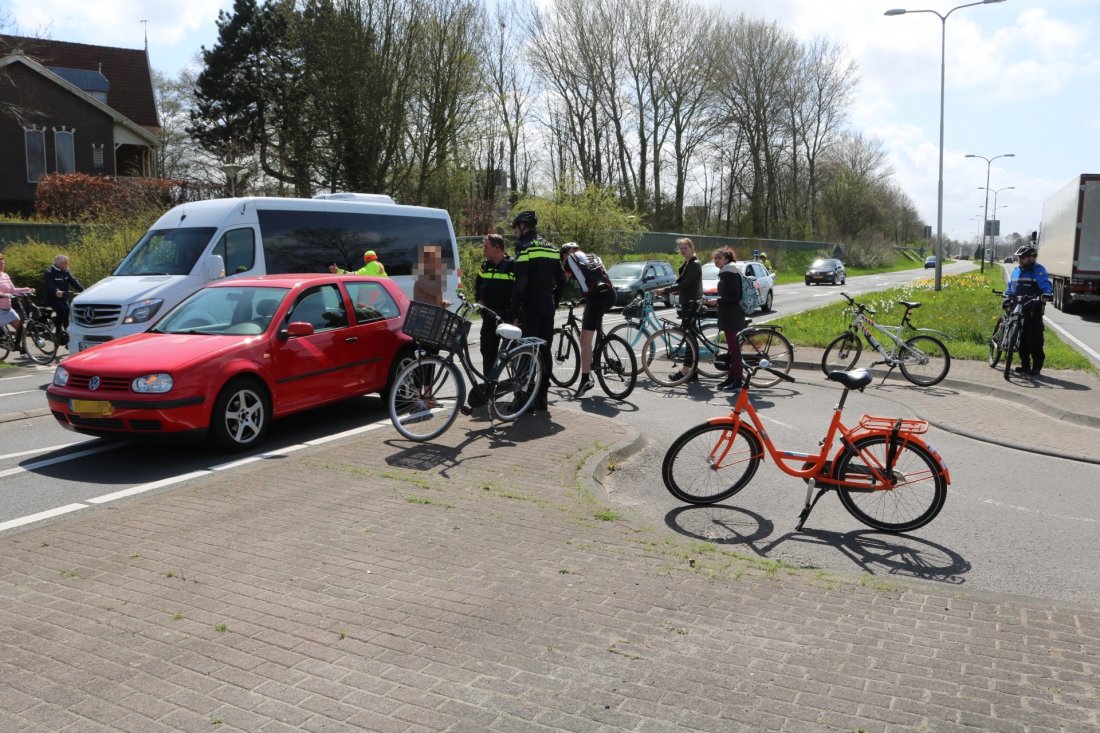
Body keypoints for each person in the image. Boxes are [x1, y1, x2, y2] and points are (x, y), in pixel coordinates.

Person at [509, 210, 564, 413]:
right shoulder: (551, 247)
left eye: (516, 228)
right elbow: (563, 280)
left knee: (526, 351)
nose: (515, 232)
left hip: (530, 306)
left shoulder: (524, 248)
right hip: (547, 305)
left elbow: (520, 284)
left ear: (523, 226)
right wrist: (554, 300)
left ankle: (525, 400)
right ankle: (542, 397)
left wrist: (513, 309)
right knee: (544, 349)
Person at [559, 243, 615, 397]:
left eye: (563, 256)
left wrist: (553, 297)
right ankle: (596, 354)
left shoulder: (570, 258)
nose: (564, 259)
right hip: (610, 294)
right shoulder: (593, 256)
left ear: (567, 252)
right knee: (592, 330)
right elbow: (595, 279)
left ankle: (585, 379)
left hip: (596, 298)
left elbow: (563, 282)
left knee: (585, 340)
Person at [1003, 243, 1054, 376]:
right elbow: (1010, 288)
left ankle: (1036, 366)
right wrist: (1007, 297)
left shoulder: (1039, 270)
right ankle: (1025, 365)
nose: (1020, 259)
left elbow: (1046, 285)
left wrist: (1047, 294)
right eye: (1019, 256)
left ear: (1031, 258)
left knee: (1035, 339)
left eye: (1023, 256)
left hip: (1033, 307)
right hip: (1017, 307)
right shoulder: (1016, 270)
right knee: (1021, 337)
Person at [660, 237, 703, 381]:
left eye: (686, 247)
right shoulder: (688, 263)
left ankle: (687, 371)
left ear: (692, 248)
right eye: (681, 248)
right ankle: (692, 371)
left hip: (691, 304)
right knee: (690, 337)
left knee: (689, 337)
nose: (683, 250)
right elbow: (683, 284)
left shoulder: (694, 264)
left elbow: (684, 284)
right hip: (687, 303)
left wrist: (665, 290)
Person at [475, 234, 515, 373]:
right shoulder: (486, 265)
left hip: (508, 318)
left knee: (513, 354)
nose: (483, 250)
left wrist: (517, 317)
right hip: (489, 317)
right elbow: (478, 286)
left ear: (497, 248)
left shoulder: (512, 266)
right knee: (487, 352)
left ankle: (519, 390)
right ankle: (489, 387)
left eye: (486, 246)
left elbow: (520, 293)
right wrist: (479, 302)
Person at [713, 248, 748, 390]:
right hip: (729, 315)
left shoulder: (730, 272)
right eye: (715, 258)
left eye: (719, 258)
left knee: (734, 351)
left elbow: (735, 296)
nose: (716, 260)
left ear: (727, 259)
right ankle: (731, 378)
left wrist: (718, 301)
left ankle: (738, 381)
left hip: (733, 316)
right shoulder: (725, 272)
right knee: (732, 350)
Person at [0, 252, 36, 355]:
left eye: (3, 264)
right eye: (0, 264)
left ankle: (22, 348)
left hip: (8, 309)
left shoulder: (5, 276)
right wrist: (4, 294)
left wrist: (27, 289)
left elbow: (13, 290)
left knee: (22, 328)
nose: (2, 266)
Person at [44, 254, 84, 337]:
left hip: (63, 297)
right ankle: (58, 331)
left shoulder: (66, 271)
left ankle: (67, 331)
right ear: (60, 264)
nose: (67, 265)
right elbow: (50, 285)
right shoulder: (49, 272)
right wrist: (57, 291)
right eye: (66, 263)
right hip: (52, 298)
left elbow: (74, 282)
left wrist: (84, 290)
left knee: (67, 311)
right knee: (63, 310)